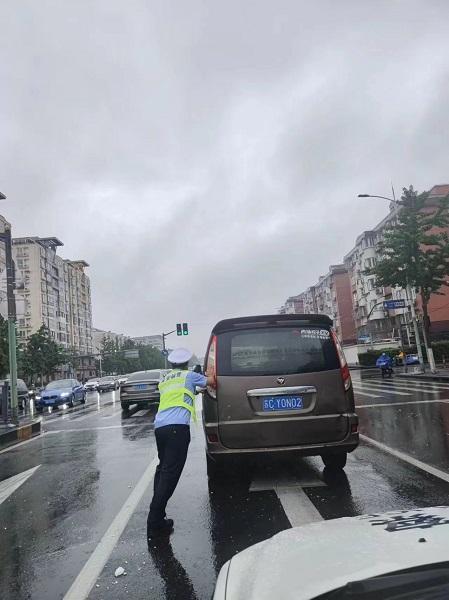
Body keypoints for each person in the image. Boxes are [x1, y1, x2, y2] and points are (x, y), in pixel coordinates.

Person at [147, 347, 215, 538]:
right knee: (170, 474)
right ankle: (154, 520)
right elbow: (211, 381)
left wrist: (196, 390)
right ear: (186, 364)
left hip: (160, 427)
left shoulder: (166, 379)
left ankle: (158, 516)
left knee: (163, 470)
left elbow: (182, 393)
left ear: (171, 364)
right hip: (177, 429)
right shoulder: (189, 376)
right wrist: (210, 373)